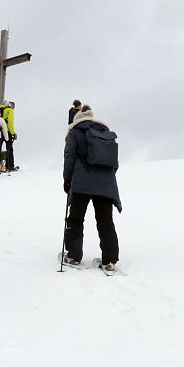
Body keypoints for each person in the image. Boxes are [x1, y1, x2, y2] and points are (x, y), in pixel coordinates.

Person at [62, 105, 121, 272]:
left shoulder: (75, 132)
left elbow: (70, 156)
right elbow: (114, 163)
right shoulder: (106, 134)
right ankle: (109, 261)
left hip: (82, 181)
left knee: (75, 218)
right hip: (106, 184)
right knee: (105, 220)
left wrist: (67, 179)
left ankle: (73, 256)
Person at [0, 100, 18, 171]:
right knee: (9, 148)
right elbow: (10, 122)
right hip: (7, 131)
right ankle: (10, 165)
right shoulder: (9, 110)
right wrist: (13, 133)